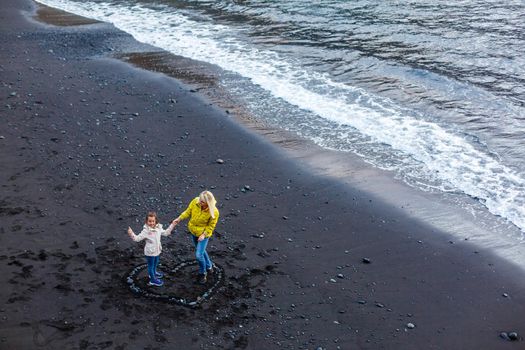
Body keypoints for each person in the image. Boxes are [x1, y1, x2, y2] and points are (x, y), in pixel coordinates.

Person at [173, 191, 219, 284]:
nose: (199, 202)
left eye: (202, 201)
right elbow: (188, 212)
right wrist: (179, 218)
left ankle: (203, 273)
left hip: (203, 235)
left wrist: (203, 235)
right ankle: (209, 266)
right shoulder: (195, 201)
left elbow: (211, 226)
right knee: (202, 251)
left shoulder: (214, 212)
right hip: (193, 231)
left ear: (208, 203)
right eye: (200, 199)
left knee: (198, 255)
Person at [128, 211, 175, 287]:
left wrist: (172, 225)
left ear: (156, 220)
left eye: (153, 221)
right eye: (149, 221)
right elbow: (137, 239)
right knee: (151, 265)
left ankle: (154, 272)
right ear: (146, 221)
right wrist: (131, 233)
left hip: (157, 250)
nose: (152, 223)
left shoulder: (158, 228)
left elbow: (166, 233)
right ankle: (153, 280)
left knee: (156, 262)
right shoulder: (146, 231)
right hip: (150, 252)